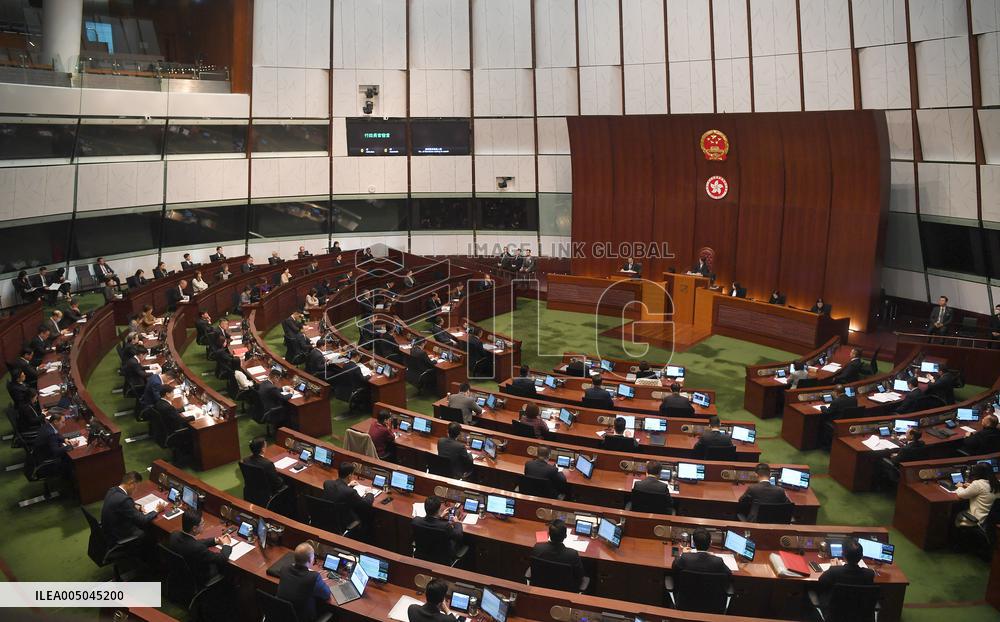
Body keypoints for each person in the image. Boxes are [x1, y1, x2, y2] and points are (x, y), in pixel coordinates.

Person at [167, 509, 233, 587]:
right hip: (201, 577)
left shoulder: (174, 535)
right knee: (228, 568)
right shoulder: (197, 548)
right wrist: (226, 544)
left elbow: (193, 542)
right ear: (194, 528)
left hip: (181, 574)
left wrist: (215, 540)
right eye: (202, 523)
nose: (204, 525)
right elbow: (222, 558)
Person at [101, 471, 161, 547]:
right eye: (136, 487)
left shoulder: (112, 490)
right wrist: (156, 510)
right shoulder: (124, 500)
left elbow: (121, 505)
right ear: (131, 484)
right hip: (117, 535)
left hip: (108, 530)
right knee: (148, 532)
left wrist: (135, 506)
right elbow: (142, 520)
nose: (135, 490)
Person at [276, 543, 330, 622]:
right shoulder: (313, 577)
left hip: (283, 616)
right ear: (310, 560)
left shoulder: (284, 569)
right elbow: (326, 595)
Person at [815, 539, 874, 608]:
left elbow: (821, 582)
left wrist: (835, 568)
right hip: (860, 614)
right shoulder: (869, 574)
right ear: (861, 556)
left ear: (843, 554)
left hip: (835, 614)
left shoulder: (834, 571)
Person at [530, 519, 585, 589]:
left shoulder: (537, 548)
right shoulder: (572, 554)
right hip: (565, 591)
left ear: (548, 534)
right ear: (565, 536)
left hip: (541, 587)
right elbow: (580, 575)